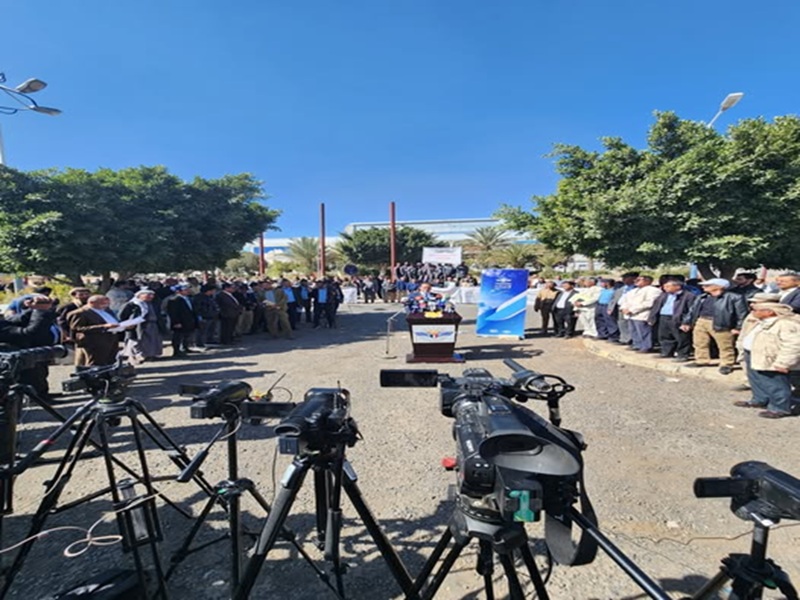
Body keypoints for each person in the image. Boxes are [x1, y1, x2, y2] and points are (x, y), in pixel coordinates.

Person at [734, 301, 800, 418]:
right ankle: (760, 399)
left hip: (771, 358)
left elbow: (794, 345)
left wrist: (784, 362)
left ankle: (780, 408)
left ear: (769, 312)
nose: (752, 312)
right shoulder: (761, 321)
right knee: (757, 380)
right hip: (755, 354)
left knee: (775, 383)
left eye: (756, 310)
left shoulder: (786, 324)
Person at [682, 278, 748, 374]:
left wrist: (738, 327)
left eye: (707, 285)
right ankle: (701, 360)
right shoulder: (702, 297)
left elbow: (742, 313)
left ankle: (727, 363)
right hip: (702, 320)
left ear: (718, 286)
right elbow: (692, 310)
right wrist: (687, 322)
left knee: (725, 345)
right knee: (699, 342)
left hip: (722, 323)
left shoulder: (734, 297)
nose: (703, 287)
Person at [648, 280, 695, 362]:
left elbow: (691, 310)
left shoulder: (688, 296)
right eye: (664, 286)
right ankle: (666, 352)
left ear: (677, 287)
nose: (665, 288)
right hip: (664, 316)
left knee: (681, 337)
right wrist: (652, 317)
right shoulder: (664, 295)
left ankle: (682, 354)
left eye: (668, 286)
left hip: (678, 318)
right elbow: (656, 306)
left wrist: (686, 322)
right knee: (664, 335)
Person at [68, 295, 121, 366]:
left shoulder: (107, 311)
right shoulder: (80, 313)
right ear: (92, 303)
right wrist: (103, 326)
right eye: (103, 303)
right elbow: (77, 328)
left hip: (110, 339)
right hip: (94, 342)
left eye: (107, 303)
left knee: (110, 362)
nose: (105, 305)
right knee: (95, 363)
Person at [619, 275, 662, 353]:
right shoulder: (633, 290)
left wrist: (632, 310)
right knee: (633, 331)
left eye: (639, 280)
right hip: (630, 314)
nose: (636, 281)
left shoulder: (653, 290)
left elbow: (649, 303)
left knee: (643, 332)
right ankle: (637, 345)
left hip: (642, 314)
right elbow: (625, 300)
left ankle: (646, 346)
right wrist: (624, 308)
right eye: (636, 279)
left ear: (647, 281)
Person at [120, 289, 165, 362]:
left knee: (153, 340)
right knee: (137, 341)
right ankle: (137, 356)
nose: (151, 297)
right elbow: (123, 315)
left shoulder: (153, 304)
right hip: (138, 325)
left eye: (152, 295)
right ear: (140, 295)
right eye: (148, 295)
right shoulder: (133, 304)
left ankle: (151, 355)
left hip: (152, 324)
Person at [166, 284, 198, 357]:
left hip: (188, 320)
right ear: (179, 291)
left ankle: (185, 347)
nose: (187, 291)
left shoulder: (188, 298)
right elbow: (173, 312)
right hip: (180, 321)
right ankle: (176, 351)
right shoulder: (174, 300)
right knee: (178, 336)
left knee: (187, 335)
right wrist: (176, 322)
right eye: (185, 290)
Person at [608, 272, 638, 346]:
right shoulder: (621, 288)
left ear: (633, 278)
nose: (624, 280)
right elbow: (613, 299)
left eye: (626, 278)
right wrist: (610, 308)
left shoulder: (636, 288)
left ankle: (631, 339)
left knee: (631, 324)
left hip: (631, 308)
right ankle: (624, 338)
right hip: (620, 307)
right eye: (623, 278)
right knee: (621, 323)